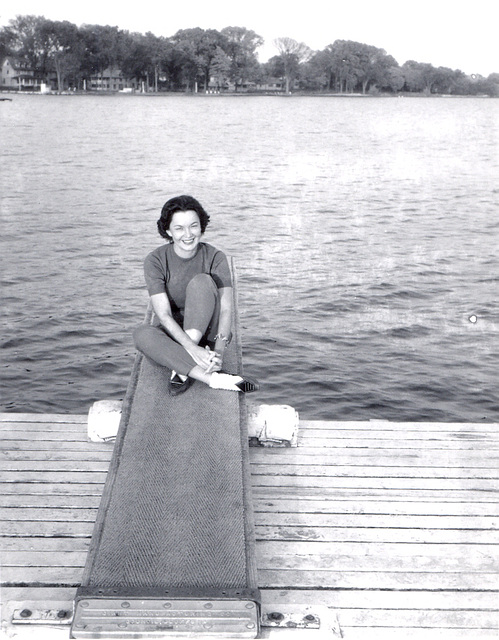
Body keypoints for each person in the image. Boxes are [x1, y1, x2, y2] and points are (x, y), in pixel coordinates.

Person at [133, 195, 259, 396]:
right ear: (168, 231)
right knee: (141, 335)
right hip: (177, 334)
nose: (188, 234)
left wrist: (217, 353)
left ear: (201, 226)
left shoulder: (216, 257)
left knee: (202, 282)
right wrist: (193, 349)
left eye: (193, 226)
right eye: (179, 228)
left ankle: (181, 370)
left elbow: (226, 309)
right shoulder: (155, 260)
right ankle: (213, 379)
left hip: (210, 332)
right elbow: (164, 315)